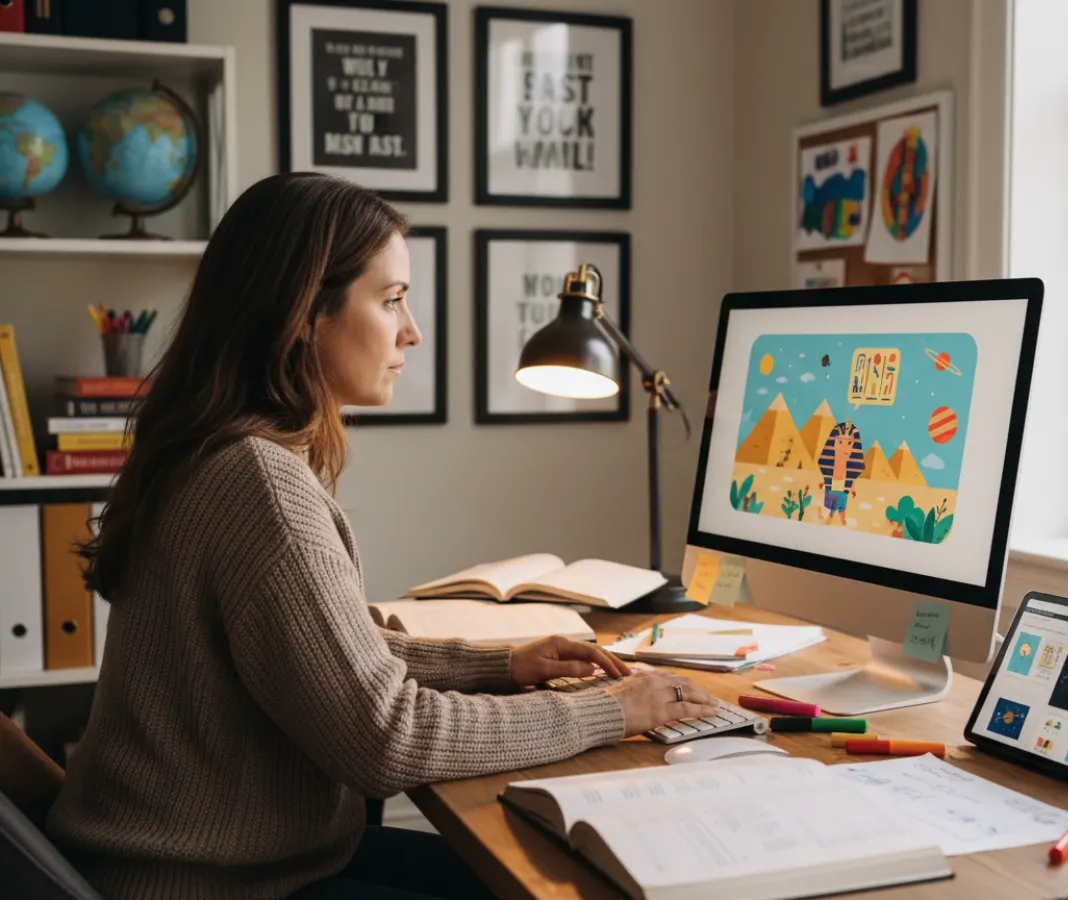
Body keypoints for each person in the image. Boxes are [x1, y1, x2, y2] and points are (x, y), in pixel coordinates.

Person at [46, 172, 720, 900]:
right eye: (392, 299)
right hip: (208, 886)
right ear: (305, 313)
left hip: (231, 867)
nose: (412, 330)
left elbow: (321, 656)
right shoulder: (257, 482)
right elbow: (386, 740)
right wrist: (612, 709)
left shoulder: (218, 453)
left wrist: (502, 665)